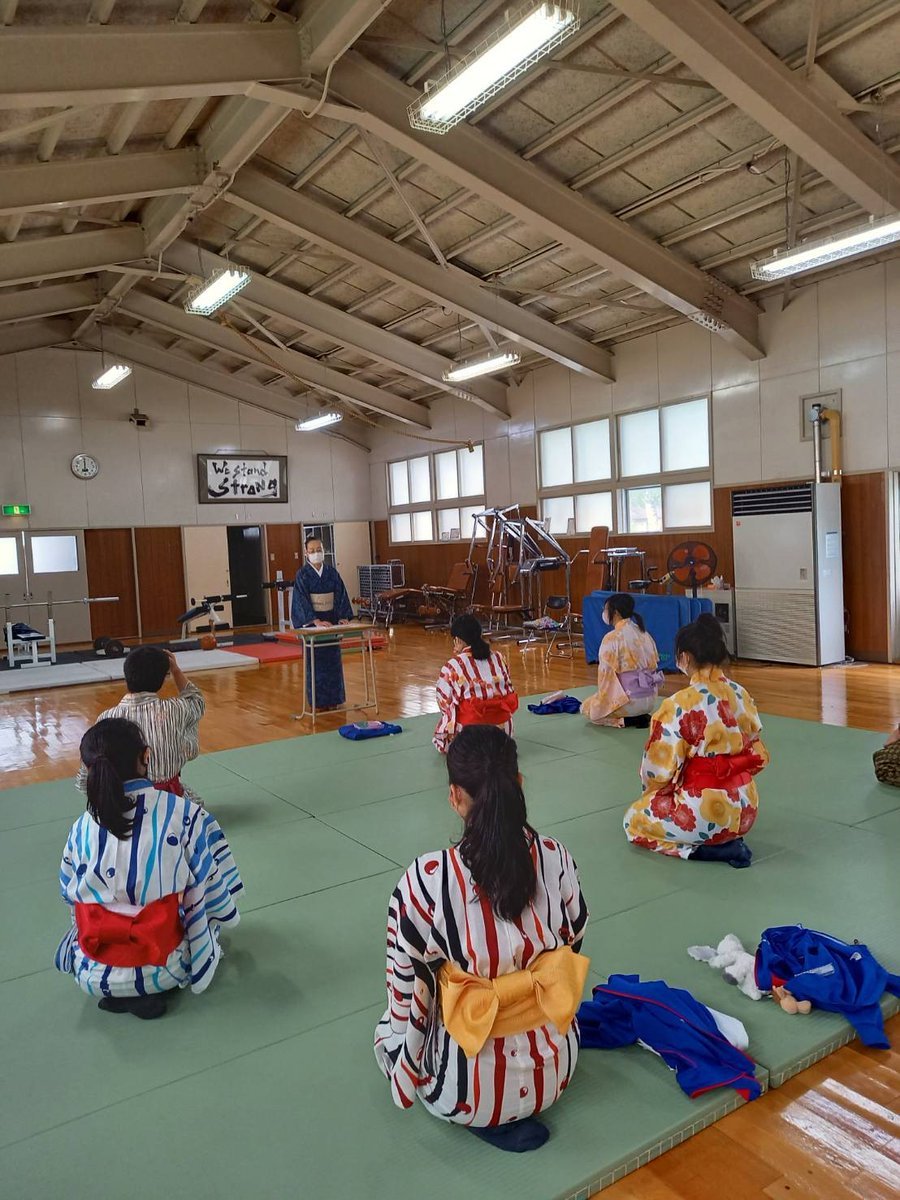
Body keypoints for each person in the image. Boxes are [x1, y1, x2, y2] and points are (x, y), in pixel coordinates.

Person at [374, 725, 589, 1152]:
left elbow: (406, 988)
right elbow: (574, 941)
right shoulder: (555, 856)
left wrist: (405, 1048)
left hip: (464, 1094)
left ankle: (490, 1101)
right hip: (557, 1072)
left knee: (388, 1029)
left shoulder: (425, 881)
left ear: (455, 796)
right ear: (519, 785)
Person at [56, 717, 242, 1019]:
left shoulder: (81, 827)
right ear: (146, 756)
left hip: (90, 972)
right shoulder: (184, 814)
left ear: (89, 770)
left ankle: (114, 982)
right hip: (165, 966)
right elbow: (212, 884)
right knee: (205, 907)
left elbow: (67, 892)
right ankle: (149, 985)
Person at [623, 613, 768, 868]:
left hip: (704, 811)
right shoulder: (740, 694)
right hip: (747, 808)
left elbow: (656, 771)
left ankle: (704, 851)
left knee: (633, 820)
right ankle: (728, 835)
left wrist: (654, 794)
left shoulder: (679, 704)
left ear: (686, 657)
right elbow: (757, 754)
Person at [75, 644, 204, 801]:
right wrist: (176, 670)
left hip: (122, 803)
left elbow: (87, 772)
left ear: (127, 675)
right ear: (164, 678)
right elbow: (196, 701)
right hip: (169, 800)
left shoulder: (106, 718)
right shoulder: (176, 709)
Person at [432, 613, 519, 753]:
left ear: (458, 640)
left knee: (450, 712)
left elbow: (444, 700)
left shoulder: (453, 666)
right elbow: (509, 689)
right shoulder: (498, 657)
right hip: (503, 731)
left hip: (471, 734)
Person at [581, 593, 663, 728]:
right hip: (650, 699)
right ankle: (639, 714)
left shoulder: (612, 638)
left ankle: (624, 721)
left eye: (606, 609)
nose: (604, 613)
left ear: (616, 612)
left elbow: (605, 677)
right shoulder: (645, 634)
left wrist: (601, 702)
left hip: (630, 702)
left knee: (589, 709)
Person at [291, 536, 354, 711]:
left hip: (331, 623)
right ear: (306, 553)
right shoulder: (302, 575)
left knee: (333, 661)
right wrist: (314, 620)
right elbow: (300, 600)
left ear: (323, 550)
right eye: (312, 551)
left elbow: (341, 595)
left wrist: (343, 617)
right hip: (315, 626)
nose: (316, 554)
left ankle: (335, 698)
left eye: (318, 550)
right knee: (315, 663)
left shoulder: (332, 573)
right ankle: (317, 702)